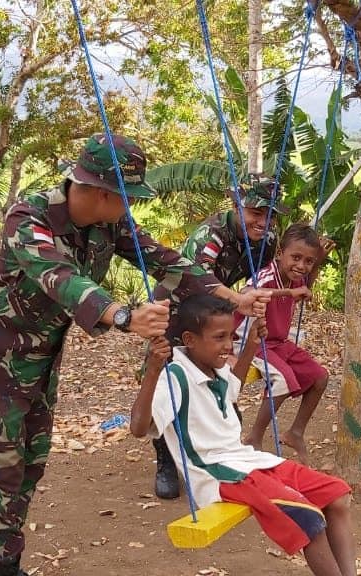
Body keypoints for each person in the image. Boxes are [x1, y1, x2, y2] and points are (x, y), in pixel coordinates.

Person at [0, 133, 269, 576]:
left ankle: (6, 563)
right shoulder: (30, 216)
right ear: (104, 193)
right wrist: (123, 316)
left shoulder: (110, 224)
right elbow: (60, 277)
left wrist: (230, 297)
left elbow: (166, 261)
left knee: (28, 465)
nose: (132, 208)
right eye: (128, 198)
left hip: (40, 362)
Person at [130, 295, 356, 576]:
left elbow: (232, 388)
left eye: (231, 336)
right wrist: (152, 371)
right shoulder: (173, 376)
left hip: (248, 461)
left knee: (337, 495)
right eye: (219, 337)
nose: (227, 345)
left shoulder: (213, 365)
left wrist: (250, 344)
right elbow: (138, 429)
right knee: (307, 516)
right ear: (190, 339)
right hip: (217, 473)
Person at [146, 173, 281, 500]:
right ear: (237, 205)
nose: (263, 221)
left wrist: (246, 300)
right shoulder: (211, 235)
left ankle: (218, 451)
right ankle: (165, 458)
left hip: (216, 310)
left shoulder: (267, 241)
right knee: (168, 380)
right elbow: (196, 281)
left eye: (271, 214)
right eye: (255, 212)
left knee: (216, 380)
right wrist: (237, 302)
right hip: (176, 307)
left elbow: (255, 278)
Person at [237, 223, 330, 464]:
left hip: (278, 341)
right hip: (252, 341)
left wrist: (317, 263)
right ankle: (253, 437)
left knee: (320, 376)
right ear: (280, 253)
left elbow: (305, 287)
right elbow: (247, 294)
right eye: (296, 258)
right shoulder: (267, 276)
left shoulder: (297, 278)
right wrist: (287, 294)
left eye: (308, 261)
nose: (301, 266)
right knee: (283, 379)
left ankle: (295, 432)